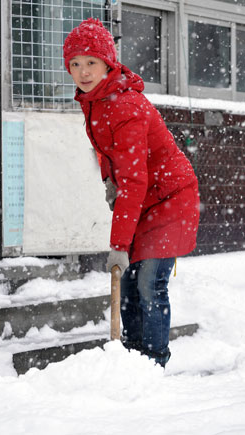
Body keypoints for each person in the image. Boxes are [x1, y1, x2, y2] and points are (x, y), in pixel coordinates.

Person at [63, 18, 200, 367]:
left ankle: (153, 363)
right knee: (127, 288)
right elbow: (113, 156)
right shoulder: (95, 100)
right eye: (75, 64)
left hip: (169, 197)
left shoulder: (124, 105)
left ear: (108, 63)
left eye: (91, 62)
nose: (83, 71)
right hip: (142, 199)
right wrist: (111, 183)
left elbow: (136, 178)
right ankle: (131, 362)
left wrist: (118, 245)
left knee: (148, 286)